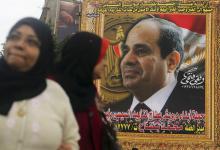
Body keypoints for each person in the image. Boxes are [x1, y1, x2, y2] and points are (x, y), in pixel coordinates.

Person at [0, 17, 80, 150]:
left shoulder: (55, 93)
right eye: (14, 37)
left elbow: (71, 141)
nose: (19, 44)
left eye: (31, 42)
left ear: (44, 52)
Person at [106, 16, 205, 114]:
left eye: (140, 51)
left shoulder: (206, 110)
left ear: (171, 62)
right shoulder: (109, 112)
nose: (126, 60)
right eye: (125, 51)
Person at [54, 31, 120, 150]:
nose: (106, 64)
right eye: (103, 58)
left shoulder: (89, 93)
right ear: (89, 57)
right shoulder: (53, 91)